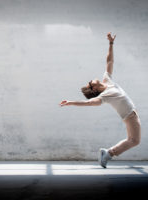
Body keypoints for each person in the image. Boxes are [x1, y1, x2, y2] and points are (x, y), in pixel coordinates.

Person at [59, 32, 141, 168]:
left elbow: (109, 61)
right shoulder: (103, 96)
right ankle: (108, 153)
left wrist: (111, 43)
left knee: (132, 140)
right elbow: (89, 103)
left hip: (131, 114)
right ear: (95, 89)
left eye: (88, 83)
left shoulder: (107, 80)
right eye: (90, 84)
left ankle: (108, 153)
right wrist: (71, 102)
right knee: (134, 140)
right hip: (129, 116)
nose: (90, 81)